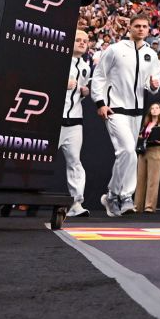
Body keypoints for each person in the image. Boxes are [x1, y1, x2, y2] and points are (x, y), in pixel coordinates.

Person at [91, 14, 160, 218]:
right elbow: (100, 76)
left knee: (126, 154)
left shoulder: (151, 54)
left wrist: (153, 86)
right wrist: (100, 102)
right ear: (129, 27)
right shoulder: (115, 49)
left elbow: (151, 82)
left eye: (145, 26)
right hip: (115, 109)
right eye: (137, 25)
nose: (141, 29)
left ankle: (112, 195)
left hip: (137, 112)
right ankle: (125, 195)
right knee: (128, 151)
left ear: (149, 30)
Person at [61, 30, 94, 218]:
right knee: (39, 159)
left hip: (75, 120)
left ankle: (76, 203)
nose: (82, 43)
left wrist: (83, 92)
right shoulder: (59, 60)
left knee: (75, 161)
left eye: (85, 41)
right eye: (78, 40)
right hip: (54, 119)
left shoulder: (85, 66)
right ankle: (20, 198)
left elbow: (78, 93)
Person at [133, 101, 160, 214]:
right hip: (143, 150)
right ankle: (137, 206)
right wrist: (140, 137)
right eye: (152, 108)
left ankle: (149, 206)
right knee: (140, 179)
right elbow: (140, 136)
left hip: (156, 149)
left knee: (153, 180)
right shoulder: (145, 124)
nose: (154, 110)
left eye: (157, 108)